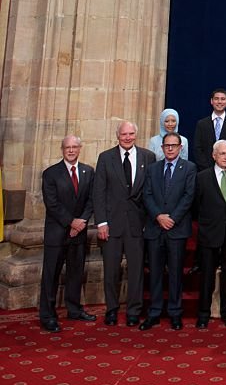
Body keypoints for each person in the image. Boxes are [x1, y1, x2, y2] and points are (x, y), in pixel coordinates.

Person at [93, 121, 155, 327]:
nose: (127, 137)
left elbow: (150, 192)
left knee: (136, 270)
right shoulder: (105, 158)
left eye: (131, 134)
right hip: (111, 224)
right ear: (117, 136)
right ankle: (111, 310)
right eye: (123, 134)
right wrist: (101, 222)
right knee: (111, 269)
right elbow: (98, 193)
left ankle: (133, 311)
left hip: (137, 224)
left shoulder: (148, 157)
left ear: (136, 135)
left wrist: (149, 221)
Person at [38, 135, 96, 332]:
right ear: (62, 149)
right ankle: (47, 315)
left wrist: (81, 222)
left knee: (75, 273)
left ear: (80, 148)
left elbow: (91, 200)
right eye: (67, 147)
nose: (71, 150)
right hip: (57, 233)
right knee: (51, 275)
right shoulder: (50, 173)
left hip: (78, 233)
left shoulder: (89, 172)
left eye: (74, 147)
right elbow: (52, 204)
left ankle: (74, 309)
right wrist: (71, 222)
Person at [140, 132, 196, 331]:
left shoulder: (189, 168)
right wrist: (158, 216)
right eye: (167, 145)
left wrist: (172, 218)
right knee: (155, 273)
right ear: (162, 148)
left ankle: (175, 313)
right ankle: (154, 313)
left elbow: (189, 197)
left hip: (177, 229)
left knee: (175, 274)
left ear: (181, 147)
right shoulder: (153, 169)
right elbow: (146, 195)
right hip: (155, 228)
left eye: (174, 145)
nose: (170, 148)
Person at [195, 140, 226, 329]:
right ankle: (203, 314)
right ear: (213, 155)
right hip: (209, 234)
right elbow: (196, 206)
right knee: (207, 276)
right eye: (222, 154)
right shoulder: (202, 177)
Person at [193, 88, 226, 171]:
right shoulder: (202, 124)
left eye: (223, 99)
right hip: (205, 171)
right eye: (216, 99)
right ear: (211, 101)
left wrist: (223, 166)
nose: (219, 102)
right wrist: (209, 169)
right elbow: (197, 149)